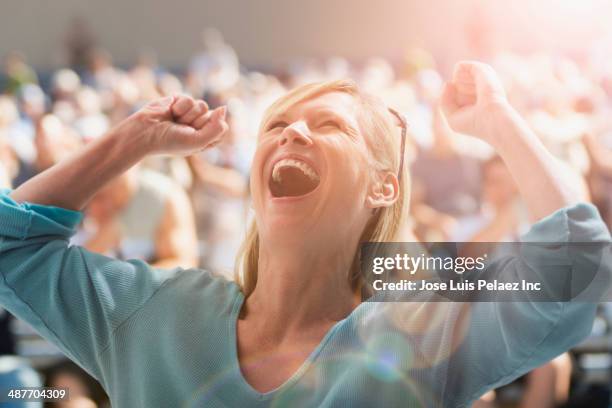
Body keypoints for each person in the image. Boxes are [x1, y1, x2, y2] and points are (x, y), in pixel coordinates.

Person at [0, 61, 609, 407]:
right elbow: (9, 248)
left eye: (328, 126)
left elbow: (578, 266)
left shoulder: (418, 327)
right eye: (279, 125)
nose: (293, 135)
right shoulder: (158, 312)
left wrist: (498, 120)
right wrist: (131, 140)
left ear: (383, 187)